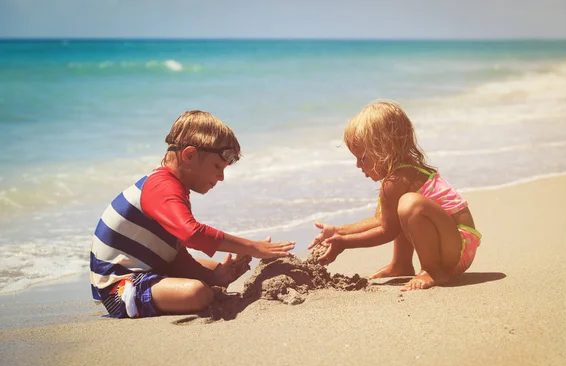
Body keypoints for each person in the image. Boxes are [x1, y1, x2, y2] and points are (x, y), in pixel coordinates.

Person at [90, 110, 295, 318]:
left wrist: (216, 277)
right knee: (197, 293)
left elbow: (174, 254)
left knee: (217, 270)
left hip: (152, 267)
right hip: (120, 288)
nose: (221, 177)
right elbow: (192, 234)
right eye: (217, 166)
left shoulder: (173, 188)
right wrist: (254, 247)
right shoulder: (161, 187)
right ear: (189, 155)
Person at [308, 100, 481, 291]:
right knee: (401, 210)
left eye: (363, 158)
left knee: (409, 205)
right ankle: (401, 264)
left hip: (456, 246)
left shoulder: (398, 180)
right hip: (453, 242)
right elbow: (380, 220)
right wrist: (340, 231)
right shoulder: (398, 177)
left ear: (384, 150)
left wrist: (344, 243)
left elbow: (386, 231)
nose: (358, 165)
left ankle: (433, 270)